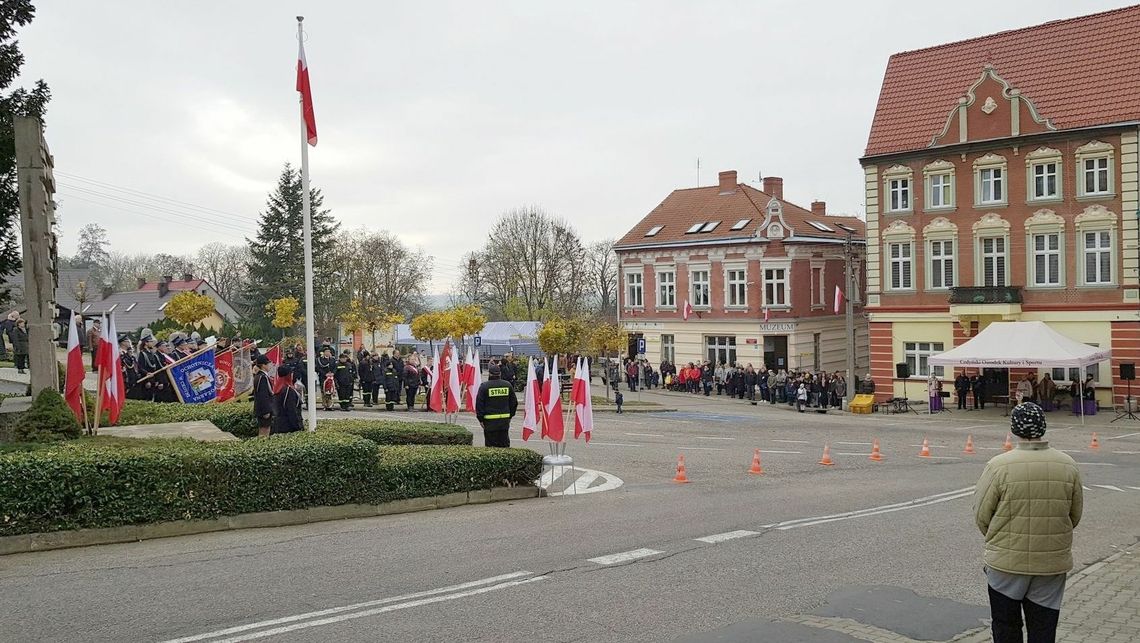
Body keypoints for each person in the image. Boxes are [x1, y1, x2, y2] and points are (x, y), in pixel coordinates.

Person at [974, 402, 1082, 643]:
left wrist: (999, 537)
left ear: (1014, 428)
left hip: (1006, 564)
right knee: (1043, 629)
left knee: (1005, 626)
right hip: (1051, 563)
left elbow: (982, 515)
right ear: (1043, 427)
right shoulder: (1068, 465)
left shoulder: (998, 466)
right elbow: (1074, 515)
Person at [474, 363, 518, 448]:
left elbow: (479, 404)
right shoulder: (507, 385)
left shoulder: (484, 386)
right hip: (504, 421)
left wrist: (480, 419)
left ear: (489, 373)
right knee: (504, 446)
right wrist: (510, 416)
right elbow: (514, 403)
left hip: (489, 422)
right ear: (500, 373)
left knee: (491, 448)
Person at [272, 365, 304, 434]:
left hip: (279, 425)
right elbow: (291, 410)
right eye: (291, 373)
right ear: (288, 375)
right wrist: (298, 427)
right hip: (289, 427)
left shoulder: (277, 388)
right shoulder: (288, 390)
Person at [252, 355, 275, 437]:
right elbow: (263, 395)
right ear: (263, 365)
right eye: (268, 364)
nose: (269, 365)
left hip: (262, 408)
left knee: (265, 429)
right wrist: (266, 410)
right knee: (264, 430)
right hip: (264, 409)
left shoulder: (260, 376)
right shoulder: (262, 377)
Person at [316, 346, 336, 411]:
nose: (328, 353)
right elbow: (318, 368)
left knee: (331, 391)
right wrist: (325, 374)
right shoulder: (320, 360)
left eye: (329, 352)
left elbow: (335, 367)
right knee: (324, 391)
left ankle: (330, 404)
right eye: (326, 352)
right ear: (323, 353)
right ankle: (325, 404)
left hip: (331, 377)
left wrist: (333, 373)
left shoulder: (332, 359)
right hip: (323, 377)